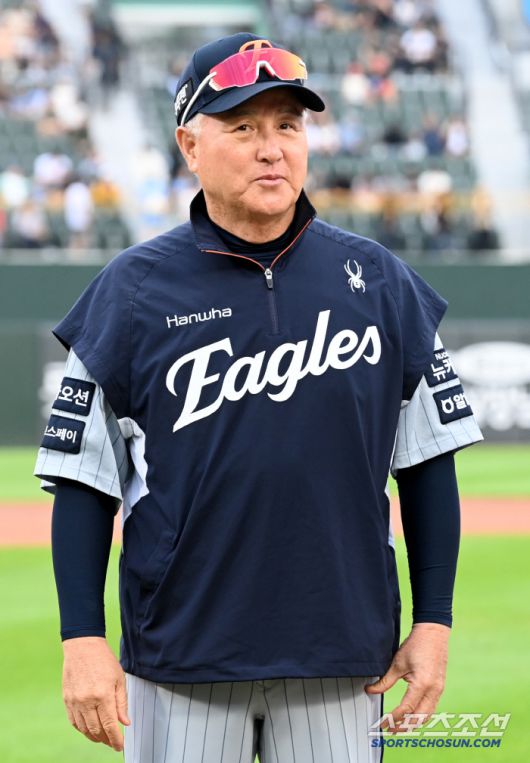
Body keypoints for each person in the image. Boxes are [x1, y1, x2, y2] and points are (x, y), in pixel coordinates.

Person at [34, 32, 484, 763]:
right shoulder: (131, 291)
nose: (272, 148)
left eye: (288, 125)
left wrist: (434, 620)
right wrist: (81, 636)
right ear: (190, 145)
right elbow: (84, 483)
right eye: (243, 127)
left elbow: (429, 465)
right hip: (181, 656)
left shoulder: (381, 282)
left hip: (345, 656)